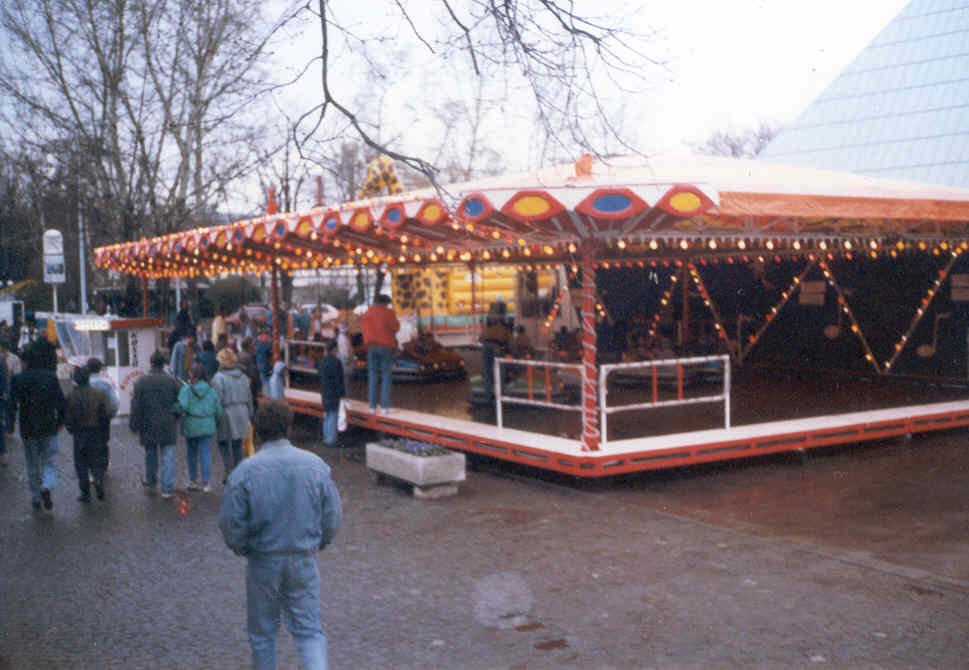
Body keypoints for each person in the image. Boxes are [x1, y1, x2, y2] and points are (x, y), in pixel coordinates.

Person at [218, 400, 342, 670]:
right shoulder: (315, 466)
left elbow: (230, 523)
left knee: (262, 634)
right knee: (309, 632)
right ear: (289, 426)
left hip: (263, 560)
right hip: (302, 558)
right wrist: (319, 542)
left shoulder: (244, 472)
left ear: (257, 430)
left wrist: (244, 548)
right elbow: (332, 516)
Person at [11, 342, 66, 512]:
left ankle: (35, 496)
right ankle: (47, 486)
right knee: (49, 461)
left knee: (32, 464)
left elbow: (12, 404)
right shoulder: (50, 377)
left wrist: (11, 424)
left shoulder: (18, 379)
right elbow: (61, 402)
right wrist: (61, 422)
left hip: (28, 428)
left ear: (25, 362)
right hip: (49, 426)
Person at [130, 350, 181, 499]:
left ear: (151, 363)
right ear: (164, 364)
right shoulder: (172, 381)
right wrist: (175, 415)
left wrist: (134, 424)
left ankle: (151, 481)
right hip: (168, 423)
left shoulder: (141, 381)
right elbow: (181, 401)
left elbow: (136, 405)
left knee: (150, 454)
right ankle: (167, 488)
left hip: (148, 423)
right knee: (168, 456)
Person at [64, 367, 111, 502]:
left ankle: (85, 492)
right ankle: (98, 479)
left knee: (81, 463)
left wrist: (70, 428)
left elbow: (67, 416)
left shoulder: (71, 395)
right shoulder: (99, 394)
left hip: (79, 433)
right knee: (97, 459)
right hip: (96, 431)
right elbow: (106, 414)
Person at [178, 363, 222, 493]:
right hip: (207, 424)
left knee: (191, 453)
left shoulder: (186, 389)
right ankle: (206, 483)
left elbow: (183, 406)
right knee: (205, 453)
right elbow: (218, 411)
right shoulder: (211, 390)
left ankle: (193, 481)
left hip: (191, 424)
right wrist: (215, 423)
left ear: (191, 375)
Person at [212, 348, 254, 485]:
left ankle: (228, 470)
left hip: (226, 412)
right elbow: (249, 397)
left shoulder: (218, 378)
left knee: (223, 442)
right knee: (237, 444)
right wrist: (250, 413)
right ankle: (238, 470)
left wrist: (214, 416)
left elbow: (216, 399)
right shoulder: (242, 376)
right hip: (242, 412)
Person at [361, 294, 399, 414]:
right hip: (386, 346)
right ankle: (384, 406)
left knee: (372, 375)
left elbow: (364, 329)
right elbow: (396, 327)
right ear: (385, 303)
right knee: (386, 375)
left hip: (371, 347)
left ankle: (372, 406)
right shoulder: (388, 313)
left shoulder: (367, 313)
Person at [87, 357, 119, 469]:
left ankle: (91, 466)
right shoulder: (106, 383)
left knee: (89, 442)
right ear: (100, 368)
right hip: (103, 417)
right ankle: (103, 465)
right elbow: (114, 402)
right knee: (103, 441)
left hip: (86, 418)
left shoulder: (83, 383)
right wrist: (111, 414)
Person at [317, 340, 345, 447]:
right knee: (333, 415)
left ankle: (326, 437)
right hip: (334, 392)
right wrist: (342, 394)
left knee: (327, 414)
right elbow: (339, 379)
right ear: (334, 349)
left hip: (324, 391)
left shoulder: (322, 361)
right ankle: (331, 440)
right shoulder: (336, 362)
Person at [238, 336, 263, 400]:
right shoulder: (249, 359)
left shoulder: (238, 356)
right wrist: (259, 388)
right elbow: (254, 375)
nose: (255, 348)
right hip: (250, 391)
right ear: (249, 347)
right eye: (253, 345)